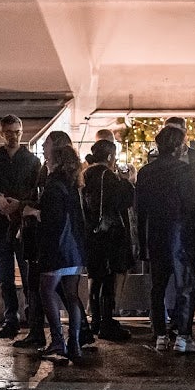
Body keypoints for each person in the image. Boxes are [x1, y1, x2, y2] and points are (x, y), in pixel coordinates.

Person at [137, 125, 195, 353]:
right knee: (184, 285)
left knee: (158, 286)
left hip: (155, 232)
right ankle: (183, 336)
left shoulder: (146, 172)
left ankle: (160, 335)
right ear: (177, 146)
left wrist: (142, 240)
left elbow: (140, 209)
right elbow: (191, 204)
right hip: (179, 233)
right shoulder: (183, 171)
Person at [0, 115, 43, 341]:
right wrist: (1, 203)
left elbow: (35, 191)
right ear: (1, 133)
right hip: (2, 226)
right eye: (9, 132)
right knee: (5, 277)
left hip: (23, 225)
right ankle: (12, 319)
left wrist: (16, 205)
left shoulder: (31, 161)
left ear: (22, 132)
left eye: (16, 132)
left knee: (28, 276)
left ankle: (31, 318)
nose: (13, 136)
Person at [37, 144, 89, 363]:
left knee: (46, 290)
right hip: (74, 247)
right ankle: (75, 343)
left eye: (49, 158)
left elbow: (51, 218)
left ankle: (58, 340)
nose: (46, 161)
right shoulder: (74, 184)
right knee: (71, 294)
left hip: (57, 247)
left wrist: (32, 212)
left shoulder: (53, 185)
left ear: (57, 161)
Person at [82, 139, 135, 342]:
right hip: (109, 236)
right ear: (111, 157)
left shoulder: (86, 175)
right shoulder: (108, 176)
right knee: (108, 279)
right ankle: (106, 322)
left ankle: (96, 320)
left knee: (96, 278)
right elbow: (124, 201)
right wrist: (127, 180)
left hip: (92, 234)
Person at [164, 117, 195, 317]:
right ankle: (171, 317)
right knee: (168, 276)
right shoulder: (159, 160)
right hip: (168, 224)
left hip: (191, 223)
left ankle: (193, 314)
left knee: (192, 273)